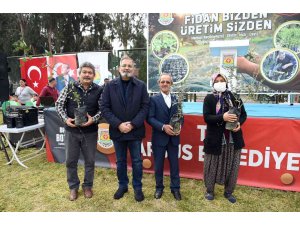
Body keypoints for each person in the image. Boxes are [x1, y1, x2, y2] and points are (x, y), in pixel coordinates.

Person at [100, 55, 149, 202]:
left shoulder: (141, 86)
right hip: (117, 131)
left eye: (129, 66)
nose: (127, 68)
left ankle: (137, 187)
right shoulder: (109, 86)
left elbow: (145, 107)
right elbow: (104, 107)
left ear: (133, 69)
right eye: (124, 65)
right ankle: (123, 186)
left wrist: (133, 124)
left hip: (135, 131)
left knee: (137, 161)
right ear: (119, 68)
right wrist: (119, 124)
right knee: (120, 161)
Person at [55, 62, 103, 201]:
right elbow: (58, 104)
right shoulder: (70, 87)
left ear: (94, 75)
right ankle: (73, 187)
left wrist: (93, 119)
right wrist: (65, 119)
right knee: (70, 161)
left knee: (90, 161)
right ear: (79, 74)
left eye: (90, 72)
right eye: (84, 72)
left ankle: (87, 186)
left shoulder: (99, 90)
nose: (87, 75)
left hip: (90, 132)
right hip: (72, 131)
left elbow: (103, 109)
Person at [203, 73, 247, 204]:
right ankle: (210, 190)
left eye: (222, 80)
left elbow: (244, 115)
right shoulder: (209, 98)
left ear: (226, 82)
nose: (220, 82)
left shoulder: (235, 97)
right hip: (216, 138)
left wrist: (239, 123)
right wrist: (223, 117)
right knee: (211, 165)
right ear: (213, 83)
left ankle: (229, 192)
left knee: (233, 165)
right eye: (217, 81)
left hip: (233, 138)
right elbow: (207, 118)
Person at [147, 73, 183, 201]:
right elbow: (149, 118)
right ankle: (159, 188)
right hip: (159, 138)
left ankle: (175, 188)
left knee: (175, 165)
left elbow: (181, 116)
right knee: (158, 165)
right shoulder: (153, 99)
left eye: (168, 82)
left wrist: (180, 127)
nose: (165, 84)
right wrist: (163, 127)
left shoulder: (176, 99)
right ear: (159, 83)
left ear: (171, 84)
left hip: (173, 138)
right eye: (163, 81)